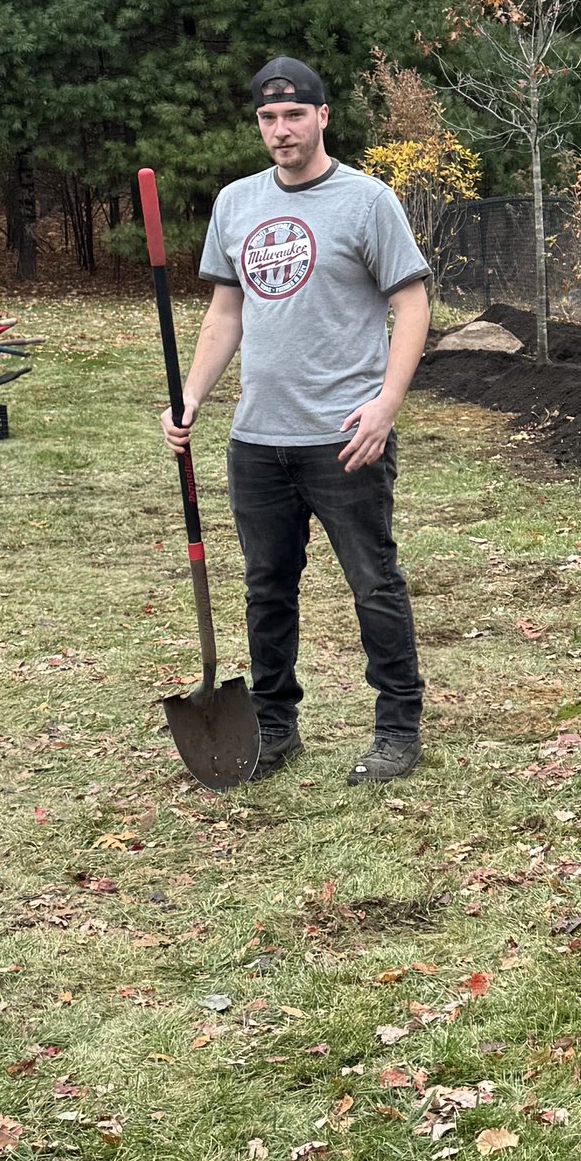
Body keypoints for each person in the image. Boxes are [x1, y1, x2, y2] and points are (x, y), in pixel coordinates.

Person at [162, 57, 432, 783]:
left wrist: (385, 404)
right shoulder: (236, 203)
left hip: (345, 437)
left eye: (293, 115)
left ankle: (398, 728)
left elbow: (412, 305)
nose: (280, 130)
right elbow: (227, 313)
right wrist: (191, 394)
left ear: (322, 116)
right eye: (267, 118)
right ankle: (275, 727)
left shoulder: (366, 201)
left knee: (373, 582)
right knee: (266, 587)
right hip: (259, 440)